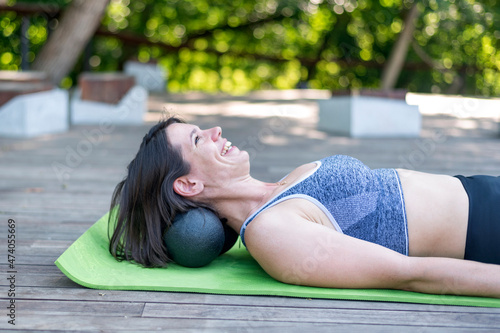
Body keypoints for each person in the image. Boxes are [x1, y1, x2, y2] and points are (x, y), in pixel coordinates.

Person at [109, 117, 500, 298]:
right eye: (198, 139)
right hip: (486, 229)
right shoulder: (270, 233)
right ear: (188, 184)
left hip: (481, 189)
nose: (216, 132)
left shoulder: (281, 186)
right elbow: (408, 274)